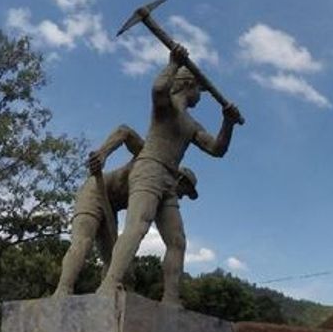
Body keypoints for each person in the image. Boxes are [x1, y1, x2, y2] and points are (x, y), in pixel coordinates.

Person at [97, 43, 241, 305]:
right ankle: (110, 283)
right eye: (200, 90)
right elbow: (157, 88)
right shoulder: (166, 108)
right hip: (149, 168)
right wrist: (173, 63)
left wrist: (227, 123)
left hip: (169, 179)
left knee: (177, 241)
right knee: (138, 225)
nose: (201, 97)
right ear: (190, 86)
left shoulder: (191, 124)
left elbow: (217, 149)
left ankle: (171, 297)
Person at [54, 125, 199, 297]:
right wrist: (102, 154)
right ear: (179, 179)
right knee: (83, 241)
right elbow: (124, 131)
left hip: (111, 206)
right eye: (184, 191)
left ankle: (108, 297)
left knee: (112, 258)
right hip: (94, 191)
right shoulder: (149, 158)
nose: (182, 197)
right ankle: (63, 290)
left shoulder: (163, 194)